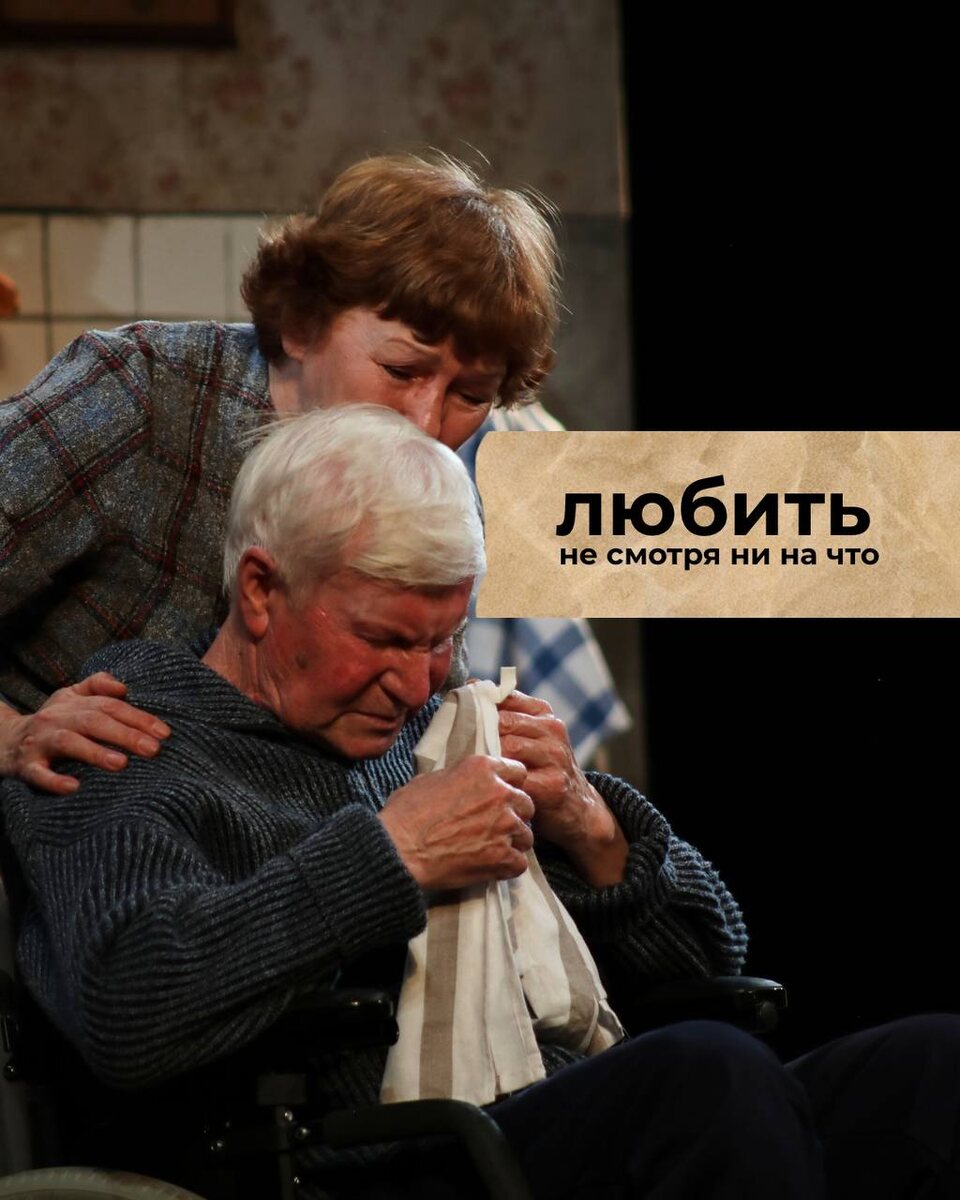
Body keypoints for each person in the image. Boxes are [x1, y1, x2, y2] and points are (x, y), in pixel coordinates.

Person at [4, 408, 959, 1200]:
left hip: (542, 1119)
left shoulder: (447, 730)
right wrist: (391, 858)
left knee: (930, 1069)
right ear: (260, 589)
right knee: (708, 1078)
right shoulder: (125, 742)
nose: (417, 681)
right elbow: (129, 1009)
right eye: (385, 639)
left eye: (443, 640)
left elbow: (715, 971)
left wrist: (588, 825)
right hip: (362, 1158)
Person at [0, 150, 570, 794]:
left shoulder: (434, 483)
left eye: (470, 395)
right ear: (301, 326)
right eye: (400, 370)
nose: (425, 421)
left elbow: (416, 707)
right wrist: (13, 736)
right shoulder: (141, 395)